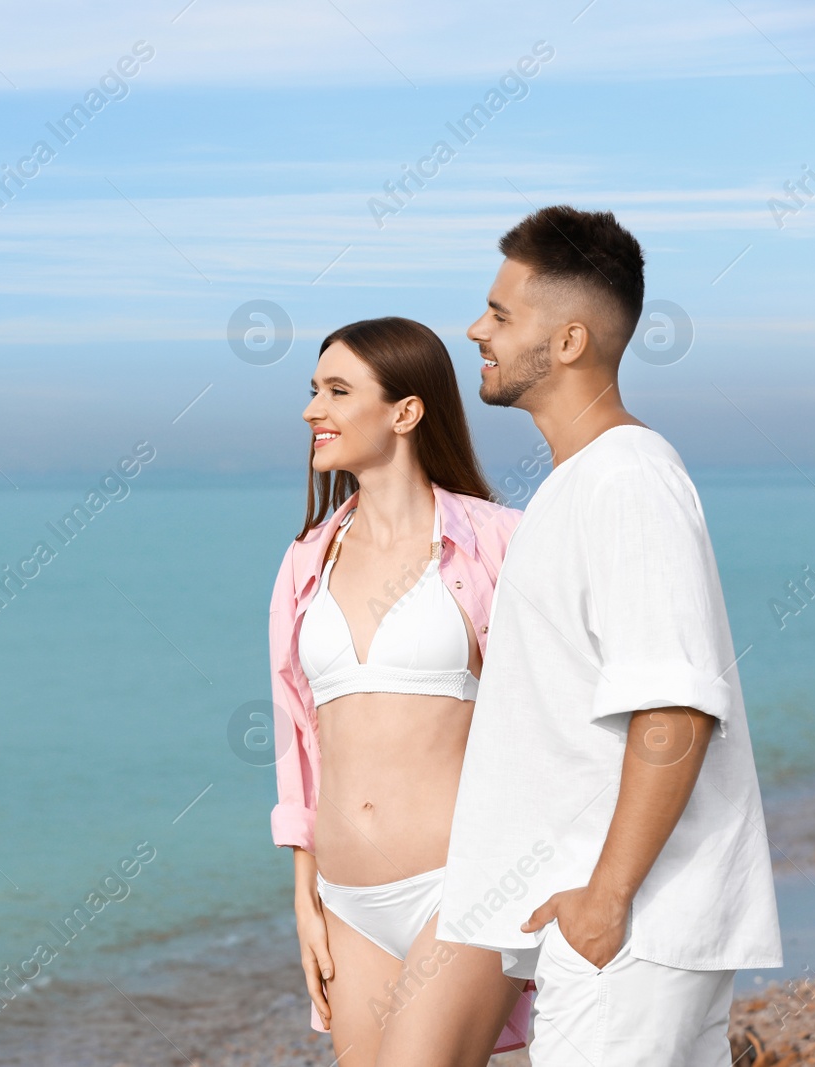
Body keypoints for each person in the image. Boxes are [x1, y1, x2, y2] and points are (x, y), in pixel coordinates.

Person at [439, 205, 782, 1065]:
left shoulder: (626, 481)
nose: (476, 330)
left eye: (502, 314)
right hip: (622, 930)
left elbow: (675, 707)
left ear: (568, 342)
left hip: (629, 929)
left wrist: (606, 895)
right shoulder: (574, 485)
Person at [268, 317, 533, 1066]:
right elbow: (297, 738)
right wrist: (305, 898)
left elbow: (554, 712)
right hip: (348, 902)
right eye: (314, 390)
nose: (312, 410)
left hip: (466, 884)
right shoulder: (304, 562)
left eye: (338, 391)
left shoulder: (500, 541)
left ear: (405, 411)